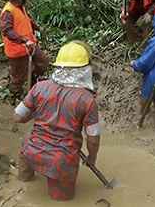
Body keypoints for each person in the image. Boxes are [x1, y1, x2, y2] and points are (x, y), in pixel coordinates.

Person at [14, 41, 100, 201]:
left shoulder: (39, 87)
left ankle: (24, 181)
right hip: (60, 160)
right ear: (85, 69)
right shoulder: (87, 100)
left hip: (31, 150)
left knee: (25, 182)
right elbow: (93, 139)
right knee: (61, 200)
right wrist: (91, 158)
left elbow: (18, 117)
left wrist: (38, 112)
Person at [0, 0, 49, 104]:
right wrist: (23, 40)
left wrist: (36, 27)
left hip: (30, 46)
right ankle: (14, 98)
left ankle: (33, 83)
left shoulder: (20, 7)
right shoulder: (8, 11)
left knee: (43, 63)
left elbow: (25, 20)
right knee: (18, 78)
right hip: (18, 51)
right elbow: (7, 30)